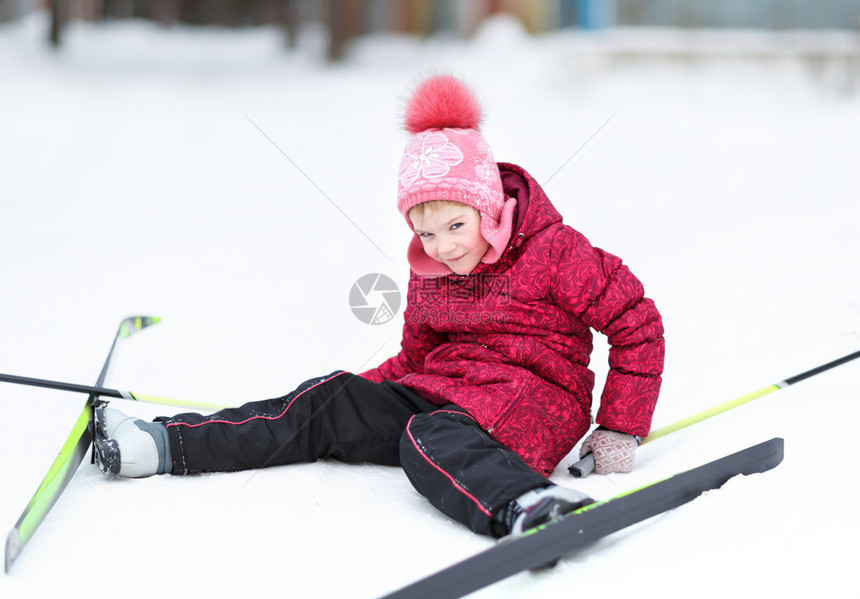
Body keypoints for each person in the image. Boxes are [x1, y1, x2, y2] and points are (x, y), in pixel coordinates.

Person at [95, 75, 664, 539]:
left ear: (490, 208)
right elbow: (414, 360)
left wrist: (618, 428)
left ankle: (530, 505)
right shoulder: (432, 269)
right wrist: (358, 400)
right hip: (448, 391)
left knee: (429, 437)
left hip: (534, 401)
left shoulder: (556, 251)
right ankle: (168, 441)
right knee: (329, 399)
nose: (441, 246)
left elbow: (637, 322)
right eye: (425, 231)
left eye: (455, 226)